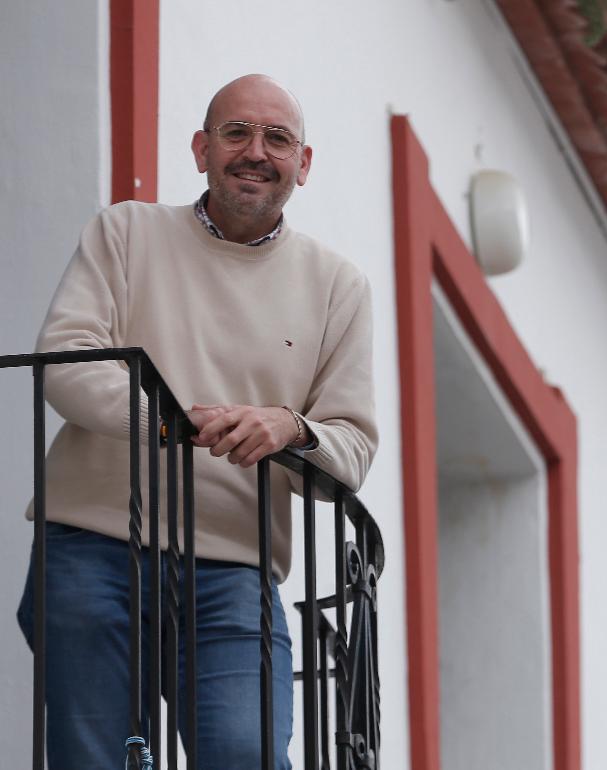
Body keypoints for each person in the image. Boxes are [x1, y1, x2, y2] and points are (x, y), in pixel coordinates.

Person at [16, 74, 378, 770]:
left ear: (303, 164)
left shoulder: (339, 287)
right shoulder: (125, 230)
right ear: (200, 149)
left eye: (278, 138)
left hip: (234, 570)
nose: (256, 151)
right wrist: (166, 426)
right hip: (92, 544)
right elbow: (65, 362)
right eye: (236, 132)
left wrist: (290, 427)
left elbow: (352, 447)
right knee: (94, 759)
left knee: (245, 752)